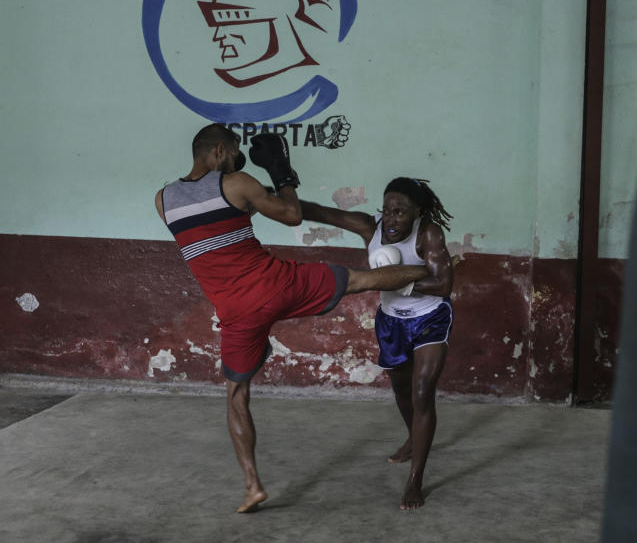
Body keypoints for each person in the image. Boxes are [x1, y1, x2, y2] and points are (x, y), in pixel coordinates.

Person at [154, 123, 431, 514]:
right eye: (234, 151)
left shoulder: (163, 199)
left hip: (233, 310)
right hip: (275, 285)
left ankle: (252, 486)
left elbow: (208, 236)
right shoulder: (235, 182)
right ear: (219, 150)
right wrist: (282, 176)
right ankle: (435, 271)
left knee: (236, 395)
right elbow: (291, 215)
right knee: (359, 279)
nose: (237, 158)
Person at [299, 177, 454, 510]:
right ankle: (414, 437)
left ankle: (415, 481)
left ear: (418, 212)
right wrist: (264, 198)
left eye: (400, 212)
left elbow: (443, 285)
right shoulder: (371, 228)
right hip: (391, 320)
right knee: (400, 390)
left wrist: (399, 278)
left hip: (429, 318)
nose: (392, 219)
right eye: (387, 210)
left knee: (423, 390)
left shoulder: (428, 233)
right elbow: (319, 212)